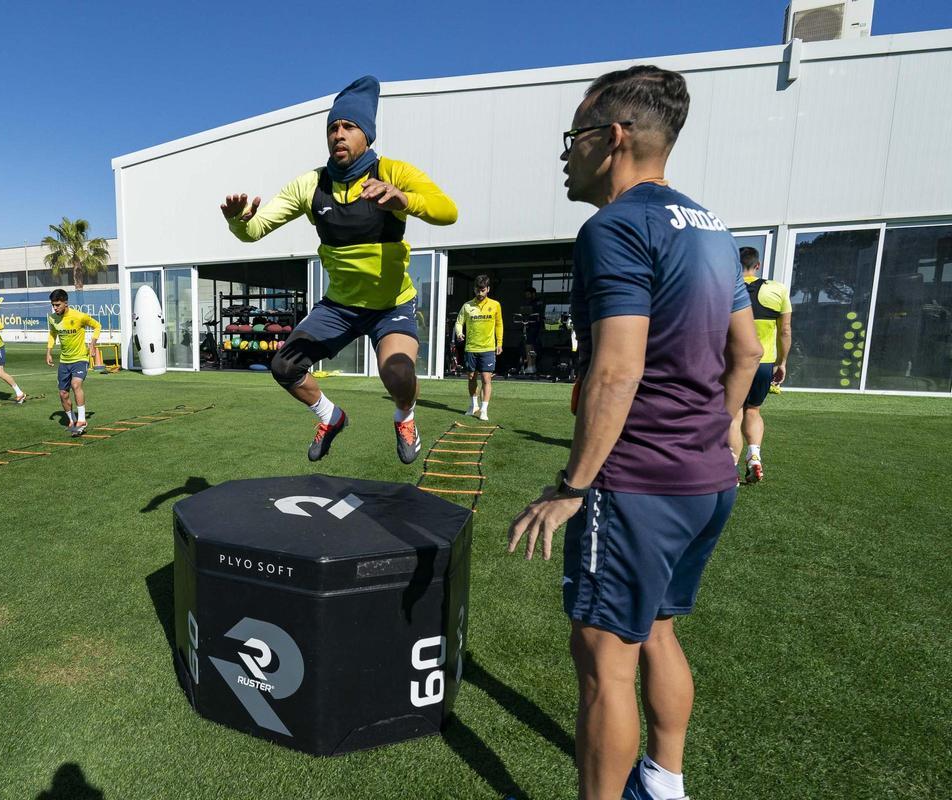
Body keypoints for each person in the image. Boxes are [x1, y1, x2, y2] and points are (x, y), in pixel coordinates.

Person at [506, 66, 763, 800]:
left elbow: (617, 372)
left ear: (612, 139)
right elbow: (745, 353)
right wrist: (710, 433)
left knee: (604, 664)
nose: (565, 154)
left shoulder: (614, 227)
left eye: (573, 136)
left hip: (636, 485)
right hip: (705, 482)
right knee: (659, 630)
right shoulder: (714, 227)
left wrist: (570, 487)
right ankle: (665, 782)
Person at [220, 75, 458, 463]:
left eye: (348, 126)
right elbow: (255, 230)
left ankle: (405, 416)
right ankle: (330, 417)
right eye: (332, 128)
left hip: (390, 304)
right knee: (283, 365)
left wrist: (404, 199)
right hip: (340, 307)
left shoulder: (393, 171)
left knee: (397, 374)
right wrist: (238, 222)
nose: (338, 134)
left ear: (367, 135)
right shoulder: (312, 184)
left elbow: (448, 211)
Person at [728, 247, 791, 483]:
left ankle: (730, 469)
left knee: (734, 413)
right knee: (753, 410)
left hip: (733, 361)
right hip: (763, 362)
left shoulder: (725, 287)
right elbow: (785, 330)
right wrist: (781, 362)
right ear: (758, 265)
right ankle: (754, 456)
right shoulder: (777, 289)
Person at [46, 289, 100, 437]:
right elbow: (52, 334)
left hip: (80, 358)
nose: (55, 308)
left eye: (58, 304)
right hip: (64, 361)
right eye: (53, 305)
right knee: (63, 394)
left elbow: (97, 326)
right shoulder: (52, 318)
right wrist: (49, 351)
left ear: (66, 303)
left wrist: (92, 344)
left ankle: (82, 420)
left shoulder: (79, 316)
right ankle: (72, 420)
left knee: (76, 384)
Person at [454, 274, 503, 420]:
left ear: (488, 289)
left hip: (488, 348)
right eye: (477, 290)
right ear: (474, 289)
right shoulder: (467, 306)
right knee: (471, 377)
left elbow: (499, 324)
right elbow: (458, 322)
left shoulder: (495, 305)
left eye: (482, 290)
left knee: (486, 378)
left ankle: (484, 410)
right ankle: (473, 405)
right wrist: (459, 332)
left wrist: (499, 342)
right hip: (471, 348)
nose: (480, 293)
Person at [520, 286, 545, 374]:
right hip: (532, 327)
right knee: (531, 345)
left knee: (529, 345)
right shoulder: (532, 302)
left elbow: (535, 314)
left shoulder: (537, 303)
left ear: (533, 294)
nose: (527, 296)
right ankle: (532, 366)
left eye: (528, 294)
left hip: (534, 327)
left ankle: (531, 366)